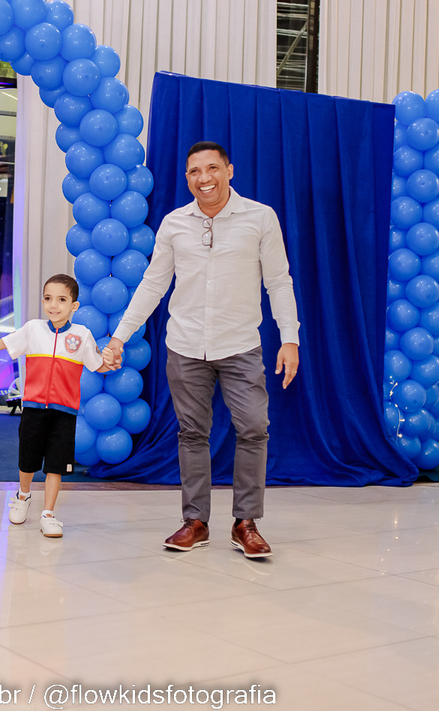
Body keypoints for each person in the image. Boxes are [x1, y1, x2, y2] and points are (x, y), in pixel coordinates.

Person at [102, 142, 300, 558]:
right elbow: (154, 283)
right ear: (187, 177)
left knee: (254, 427)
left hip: (240, 345)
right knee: (192, 434)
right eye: (195, 171)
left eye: (212, 168)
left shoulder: (260, 217)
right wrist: (120, 335)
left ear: (229, 170)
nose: (204, 178)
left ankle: (245, 523)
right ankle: (195, 521)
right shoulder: (175, 223)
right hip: (185, 345)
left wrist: (290, 338)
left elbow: (279, 281)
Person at [0, 274, 114, 538]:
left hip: (64, 412)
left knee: (56, 464)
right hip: (33, 408)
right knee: (27, 459)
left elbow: (99, 366)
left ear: (74, 305)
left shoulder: (82, 335)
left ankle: (48, 514)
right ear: (42, 301)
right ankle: (23, 495)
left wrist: (113, 361)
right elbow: (2, 344)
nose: (54, 305)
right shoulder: (33, 329)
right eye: (48, 298)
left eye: (61, 300)